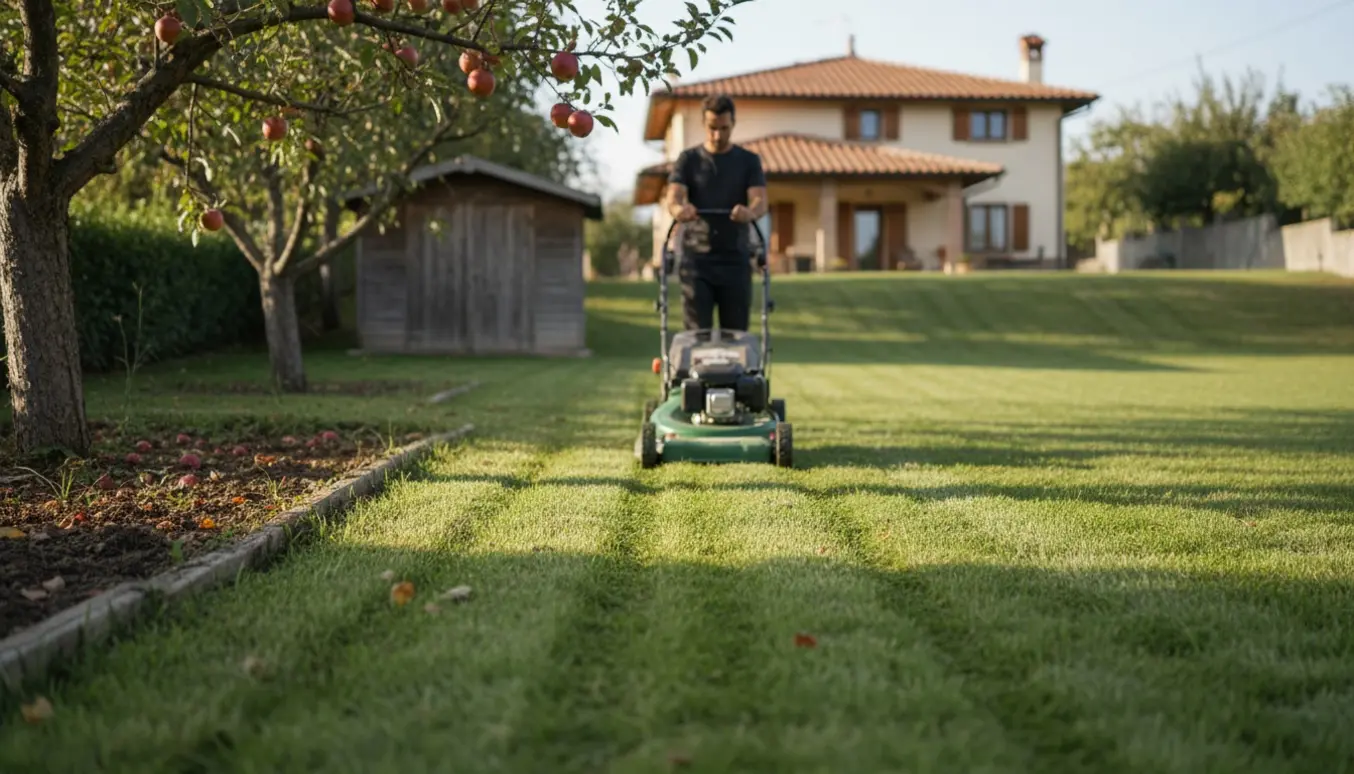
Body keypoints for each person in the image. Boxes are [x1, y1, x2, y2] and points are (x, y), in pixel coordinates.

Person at [664, 94, 767, 333]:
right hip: (696, 262)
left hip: (735, 259)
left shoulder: (748, 161)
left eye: (724, 128)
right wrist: (681, 210)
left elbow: (760, 201)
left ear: (733, 124)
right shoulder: (688, 160)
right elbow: (674, 198)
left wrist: (749, 213)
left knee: (736, 335)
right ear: (703, 124)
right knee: (697, 334)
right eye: (712, 128)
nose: (718, 135)